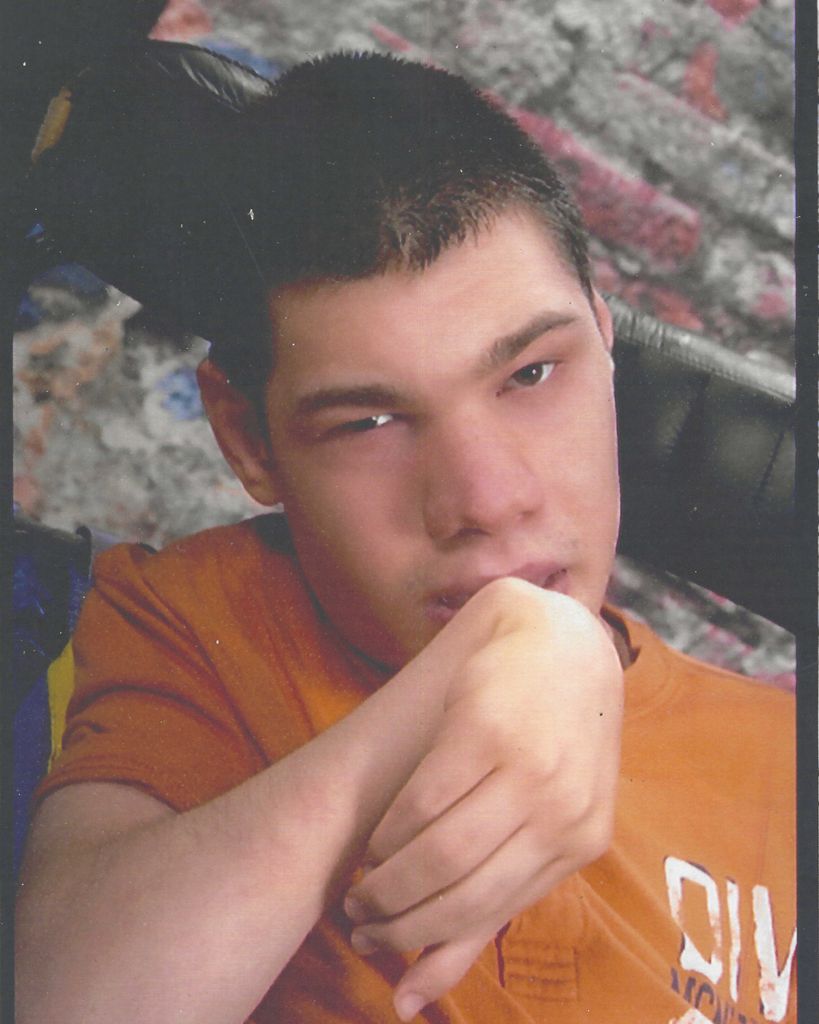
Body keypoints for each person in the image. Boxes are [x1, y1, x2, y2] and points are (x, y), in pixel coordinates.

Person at [15, 52, 796, 1024]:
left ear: (603, 346)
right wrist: (500, 650)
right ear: (249, 443)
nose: (488, 500)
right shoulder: (198, 621)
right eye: (369, 423)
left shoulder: (778, 752)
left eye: (531, 375)